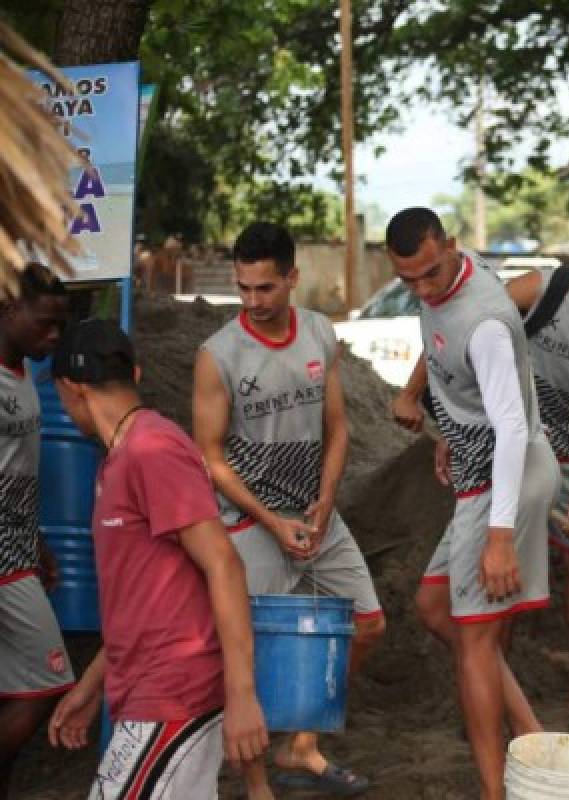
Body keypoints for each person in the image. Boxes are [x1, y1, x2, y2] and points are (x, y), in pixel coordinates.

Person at [395, 231, 569, 736]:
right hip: (510, 452)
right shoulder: (542, 291)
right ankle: (491, 697)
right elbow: (458, 344)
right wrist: (420, 398)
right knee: (499, 580)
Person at [192, 222, 383, 797]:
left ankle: (300, 746)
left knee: (368, 625)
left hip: (316, 513)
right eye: (244, 288)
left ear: (293, 278)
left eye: (266, 288)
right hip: (251, 521)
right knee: (246, 656)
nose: (253, 301)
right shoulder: (218, 355)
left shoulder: (320, 333)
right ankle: (257, 786)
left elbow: (338, 428)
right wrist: (271, 523)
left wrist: (326, 501)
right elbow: (210, 459)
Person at [46, 318, 268, 798]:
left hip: (173, 694)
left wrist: (242, 694)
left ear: (70, 388)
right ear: (137, 374)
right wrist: (90, 687)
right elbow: (146, 603)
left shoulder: (152, 449)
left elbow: (224, 565)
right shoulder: (122, 457)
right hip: (148, 692)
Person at [386, 207, 559, 800]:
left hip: (506, 479)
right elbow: (446, 365)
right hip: (476, 470)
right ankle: (532, 732)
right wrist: (446, 428)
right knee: (436, 607)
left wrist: (500, 535)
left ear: (453, 247)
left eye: (430, 274)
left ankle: (496, 792)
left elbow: (510, 427)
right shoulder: (450, 279)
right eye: (408, 280)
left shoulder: (485, 321)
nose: (422, 289)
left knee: (478, 643)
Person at [0, 265, 71, 798]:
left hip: (18, 550)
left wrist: (37, 538)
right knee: (47, 681)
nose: (54, 337)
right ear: (9, 309)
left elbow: (17, 469)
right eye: (45, 324)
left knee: (29, 684)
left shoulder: (23, 376)